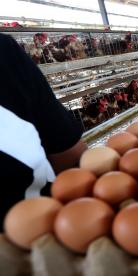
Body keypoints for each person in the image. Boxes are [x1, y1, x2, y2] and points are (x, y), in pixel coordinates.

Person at [0, 33, 87, 229]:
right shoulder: (4, 53)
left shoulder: (5, 52)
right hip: (44, 222)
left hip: (43, 223)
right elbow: (71, 155)